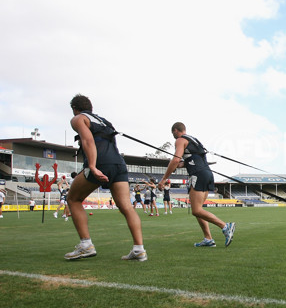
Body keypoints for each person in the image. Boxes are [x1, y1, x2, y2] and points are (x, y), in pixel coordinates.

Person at [65, 94, 147, 261]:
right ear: (91, 107)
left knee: (73, 199)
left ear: (75, 108)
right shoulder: (104, 121)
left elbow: (88, 141)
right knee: (127, 207)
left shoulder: (78, 119)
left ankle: (86, 245)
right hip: (119, 164)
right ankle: (139, 250)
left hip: (101, 163)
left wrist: (93, 166)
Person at [158, 122, 235, 247]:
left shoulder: (180, 140)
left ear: (176, 131)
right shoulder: (195, 141)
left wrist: (163, 179)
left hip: (198, 174)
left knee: (196, 210)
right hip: (207, 173)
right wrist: (181, 164)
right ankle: (208, 239)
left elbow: (176, 159)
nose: (174, 136)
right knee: (198, 209)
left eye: (173, 133)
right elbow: (188, 160)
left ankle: (225, 226)